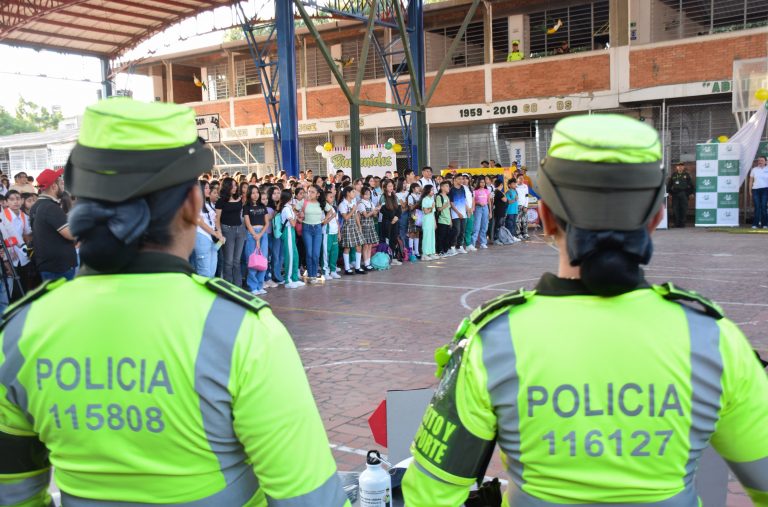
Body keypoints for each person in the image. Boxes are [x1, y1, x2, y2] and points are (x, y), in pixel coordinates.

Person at [402, 114, 768, 506]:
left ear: (545, 217)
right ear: (656, 219)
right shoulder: (714, 341)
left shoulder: (490, 344)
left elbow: (429, 497)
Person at [0, 98, 349, 506]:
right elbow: (309, 499)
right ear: (191, 205)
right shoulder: (242, 332)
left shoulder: (20, 333)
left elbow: (12, 493)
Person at [28, 168, 77, 281]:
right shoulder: (51, 208)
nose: (63, 186)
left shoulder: (36, 206)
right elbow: (71, 234)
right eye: (61, 183)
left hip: (49, 264)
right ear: (54, 187)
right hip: (60, 267)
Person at [215, 177, 246, 285]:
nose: (235, 187)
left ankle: (238, 286)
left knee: (237, 261)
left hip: (240, 230)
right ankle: (228, 285)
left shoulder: (239, 199)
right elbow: (217, 219)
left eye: (235, 185)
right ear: (227, 187)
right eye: (232, 186)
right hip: (227, 230)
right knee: (228, 261)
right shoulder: (220, 201)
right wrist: (219, 233)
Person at [1, 190, 32, 296]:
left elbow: (27, 235)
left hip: (22, 254)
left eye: (18, 199)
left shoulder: (24, 216)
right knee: (12, 287)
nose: (16, 202)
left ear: (22, 200)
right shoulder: (3, 216)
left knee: (24, 282)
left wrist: (29, 251)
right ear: (6, 202)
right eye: (12, 199)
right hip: (9, 255)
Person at [243, 186, 271, 295]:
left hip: (263, 234)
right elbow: (247, 223)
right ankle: (253, 286)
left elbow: (267, 223)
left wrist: (260, 235)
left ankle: (260, 285)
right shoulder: (246, 207)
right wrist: (255, 235)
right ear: (249, 194)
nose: (255, 195)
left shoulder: (262, 206)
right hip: (252, 234)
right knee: (252, 260)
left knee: (263, 260)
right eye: (253, 193)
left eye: (257, 192)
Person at [194, 180, 222, 277]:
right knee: (204, 272)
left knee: (212, 271)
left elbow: (215, 222)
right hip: (202, 238)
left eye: (208, 187)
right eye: (206, 188)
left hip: (212, 241)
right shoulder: (195, 204)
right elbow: (200, 223)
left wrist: (219, 233)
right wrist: (215, 233)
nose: (208, 190)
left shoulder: (207, 205)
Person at [278, 188, 304, 288]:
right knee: (289, 256)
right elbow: (293, 223)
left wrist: (296, 215)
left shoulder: (289, 208)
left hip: (291, 232)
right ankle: (288, 280)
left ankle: (294, 278)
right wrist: (296, 216)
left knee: (295, 255)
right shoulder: (286, 208)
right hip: (288, 231)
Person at [339, 186, 366, 275]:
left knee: (359, 246)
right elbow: (346, 217)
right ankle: (347, 268)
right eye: (353, 192)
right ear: (348, 193)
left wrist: (359, 226)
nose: (354, 194)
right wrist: (353, 209)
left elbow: (356, 215)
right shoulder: (342, 204)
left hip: (354, 226)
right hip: (347, 227)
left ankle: (358, 267)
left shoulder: (353, 202)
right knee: (347, 247)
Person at [301, 184, 324, 283]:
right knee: (309, 253)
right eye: (309, 191)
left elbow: (331, 212)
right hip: (307, 228)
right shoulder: (304, 202)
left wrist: (323, 221)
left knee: (316, 254)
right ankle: (311, 275)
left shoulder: (321, 203)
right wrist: (299, 218)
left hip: (318, 229)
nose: (310, 193)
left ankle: (314, 275)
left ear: (318, 194)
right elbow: (294, 210)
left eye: (312, 192)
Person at [322, 185, 342, 278]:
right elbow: (323, 222)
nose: (332, 198)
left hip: (334, 233)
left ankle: (333, 270)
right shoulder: (323, 209)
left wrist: (339, 233)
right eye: (330, 197)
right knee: (326, 253)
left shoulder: (333, 208)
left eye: (333, 197)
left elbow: (337, 221)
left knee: (335, 252)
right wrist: (331, 217)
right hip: (327, 233)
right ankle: (325, 271)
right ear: (325, 198)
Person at [358, 187, 379, 271]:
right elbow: (366, 215)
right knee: (365, 245)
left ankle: (368, 262)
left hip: (371, 225)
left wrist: (376, 211)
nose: (368, 196)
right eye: (366, 194)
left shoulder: (370, 203)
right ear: (362, 195)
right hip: (364, 226)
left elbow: (374, 215)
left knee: (370, 245)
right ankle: (366, 263)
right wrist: (373, 211)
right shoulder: (361, 204)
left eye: (369, 194)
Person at [667, 162, 694, 228]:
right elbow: (669, 185)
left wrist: (691, 193)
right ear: (677, 167)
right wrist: (669, 193)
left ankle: (682, 224)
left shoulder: (686, 175)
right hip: (675, 193)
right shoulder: (674, 175)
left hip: (684, 193)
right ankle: (676, 224)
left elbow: (691, 185)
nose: (680, 167)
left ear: (683, 167)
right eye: (679, 166)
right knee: (675, 208)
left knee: (683, 208)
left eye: (681, 166)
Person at [448, 177, 467, 255]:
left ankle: (459, 246)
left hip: (463, 213)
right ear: (455, 180)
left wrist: (467, 209)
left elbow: (464, 200)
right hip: (455, 214)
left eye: (462, 179)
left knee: (462, 231)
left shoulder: (462, 188)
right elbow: (451, 203)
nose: (461, 180)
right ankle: (452, 247)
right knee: (456, 230)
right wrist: (458, 213)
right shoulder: (452, 190)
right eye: (459, 179)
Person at [471, 177, 491, 249]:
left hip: (485, 208)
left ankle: (483, 242)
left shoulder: (487, 191)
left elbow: (489, 201)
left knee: (484, 226)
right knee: (476, 226)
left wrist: (490, 212)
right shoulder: (475, 191)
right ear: (478, 183)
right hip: (478, 208)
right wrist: (478, 203)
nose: (483, 184)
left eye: (484, 182)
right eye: (481, 182)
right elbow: (473, 201)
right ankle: (473, 243)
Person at [419, 184, 437, 260]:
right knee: (426, 237)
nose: (433, 191)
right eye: (431, 190)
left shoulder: (432, 199)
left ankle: (431, 253)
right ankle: (424, 254)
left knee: (432, 237)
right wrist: (432, 207)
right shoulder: (425, 199)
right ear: (427, 190)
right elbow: (426, 211)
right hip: (426, 220)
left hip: (431, 220)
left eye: (433, 190)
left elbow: (433, 213)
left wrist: (435, 222)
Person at [749, 155, 767, 229]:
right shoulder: (754, 169)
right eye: (759, 160)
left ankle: (765, 224)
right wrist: (750, 191)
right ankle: (755, 224)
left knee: (763, 206)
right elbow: (751, 181)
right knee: (757, 207)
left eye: (762, 160)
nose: (760, 162)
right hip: (755, 190)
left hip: (765, 190)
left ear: (765, 162)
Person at [435, 181, 453, 256]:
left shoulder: (447, 197)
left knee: (447, 236)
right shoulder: (439, 197)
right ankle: (440, 251)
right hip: (441, 220)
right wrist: (445, 205)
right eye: (446, 186)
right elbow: (438, 209)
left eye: (448, 186)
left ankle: (446, 250)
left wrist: (451, 220)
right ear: (442, 187)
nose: (448, 188)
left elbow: (449, 210)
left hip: (448, 220)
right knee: (441, 236)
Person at [515, 173, 531, 240]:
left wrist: (526, 206)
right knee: (517, 221)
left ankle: (525, 233)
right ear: (517, 179)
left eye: (523, 178)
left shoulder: (525, 186)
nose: (522, 180)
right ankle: (518, 234)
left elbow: (527, 196)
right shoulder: (515, 186)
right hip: (517, 206)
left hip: (524, 206)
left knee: (525, 220)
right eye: (520, 178)